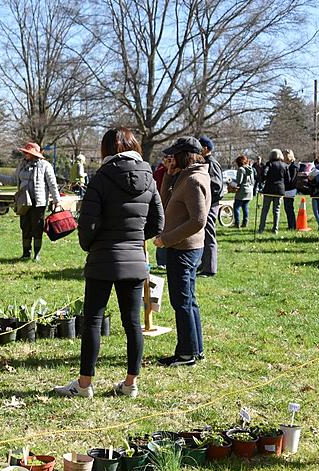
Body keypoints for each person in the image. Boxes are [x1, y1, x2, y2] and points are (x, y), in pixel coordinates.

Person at [53, 128, 164, 398]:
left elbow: (87, 224)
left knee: (92, 321)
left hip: (103, 258)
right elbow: (158, 222)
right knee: (133, 323)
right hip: (135, 260)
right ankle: (130, 383)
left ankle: (84, 384)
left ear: (106, 149)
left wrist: (91, 244)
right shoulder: (148, 177)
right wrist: (136, 238)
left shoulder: (101, 178)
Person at [153, 137, 210, 367]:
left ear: (185, 155)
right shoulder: (183, 176)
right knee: (189, 300)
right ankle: (196, 349)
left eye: (173, 156)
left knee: (182, 302)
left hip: (184, 248)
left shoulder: (194, 179)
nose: (170, 159)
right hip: (182, 247)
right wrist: (168, 173)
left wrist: (166, 239)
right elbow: (166, 203)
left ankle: (186, 354)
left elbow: (198, 220)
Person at [14, 141, 60, 261]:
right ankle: (25, 253)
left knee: (37, 227)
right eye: (25, 152)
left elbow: (52, 184)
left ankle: (36, 254)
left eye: (28, 152)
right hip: (24, 201)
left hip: (38, 202)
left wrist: (56, 200)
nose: (26, 154)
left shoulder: (45, 165)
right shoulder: (22, 165)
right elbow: (14, 179)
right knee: (25, 226)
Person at [198, 136, 224, 276]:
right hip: (205, 204)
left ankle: (210, 269)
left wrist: (205, 199)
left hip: (210, 205)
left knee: (209, 236)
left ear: (206, 148)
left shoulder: (211, 163)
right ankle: (204, 263)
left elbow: (216, 186)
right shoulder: (204, 162)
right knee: (203, 235)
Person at [257, 149, 287, 233]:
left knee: (265, 210)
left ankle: (261, 229)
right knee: (276, 210)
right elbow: (287, 178)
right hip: (279, 190)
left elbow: (264, 175)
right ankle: (275, 229)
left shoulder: (269, 164)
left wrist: (263, 177)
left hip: (269, 190)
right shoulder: (284, 165)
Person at [232, 155, 256, 227]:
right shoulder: (251, 169)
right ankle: (245, 222)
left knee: (236, 207)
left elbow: (239, 181)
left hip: (242, 190)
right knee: (245, 206)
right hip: (250, 190)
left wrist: (232, 182)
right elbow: (253, 181)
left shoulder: (241, 169)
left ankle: (237, 223)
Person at [282, 149, 298, 230]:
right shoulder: (286, 166)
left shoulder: (294, 167)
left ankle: (293, 226)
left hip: (290, 190)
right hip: (286, 189)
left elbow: (291, 180)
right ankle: (290, 225)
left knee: (289, 208)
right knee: (287, 209)